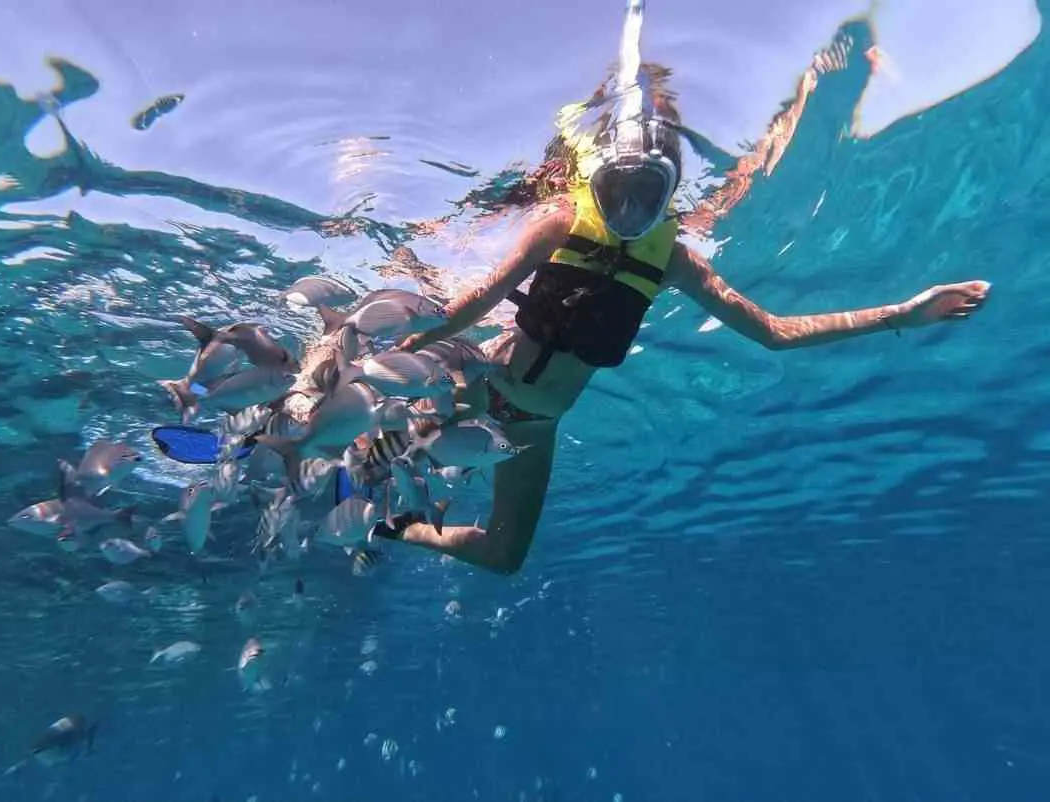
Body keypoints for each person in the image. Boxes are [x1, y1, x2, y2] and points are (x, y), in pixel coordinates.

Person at [374, 83, 992, 576]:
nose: (628, 212)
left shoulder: (673, 261)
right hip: (479, 383)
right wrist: (405, 346)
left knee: (505, 556)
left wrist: (900, 315)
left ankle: (396, 529)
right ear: (597, 183)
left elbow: (773, 332)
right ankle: (338, 485)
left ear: (669, 193)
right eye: (618, 192)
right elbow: (476, 301)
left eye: (645, 196)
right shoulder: (559, 225)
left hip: (534, 427)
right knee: (372, 448)